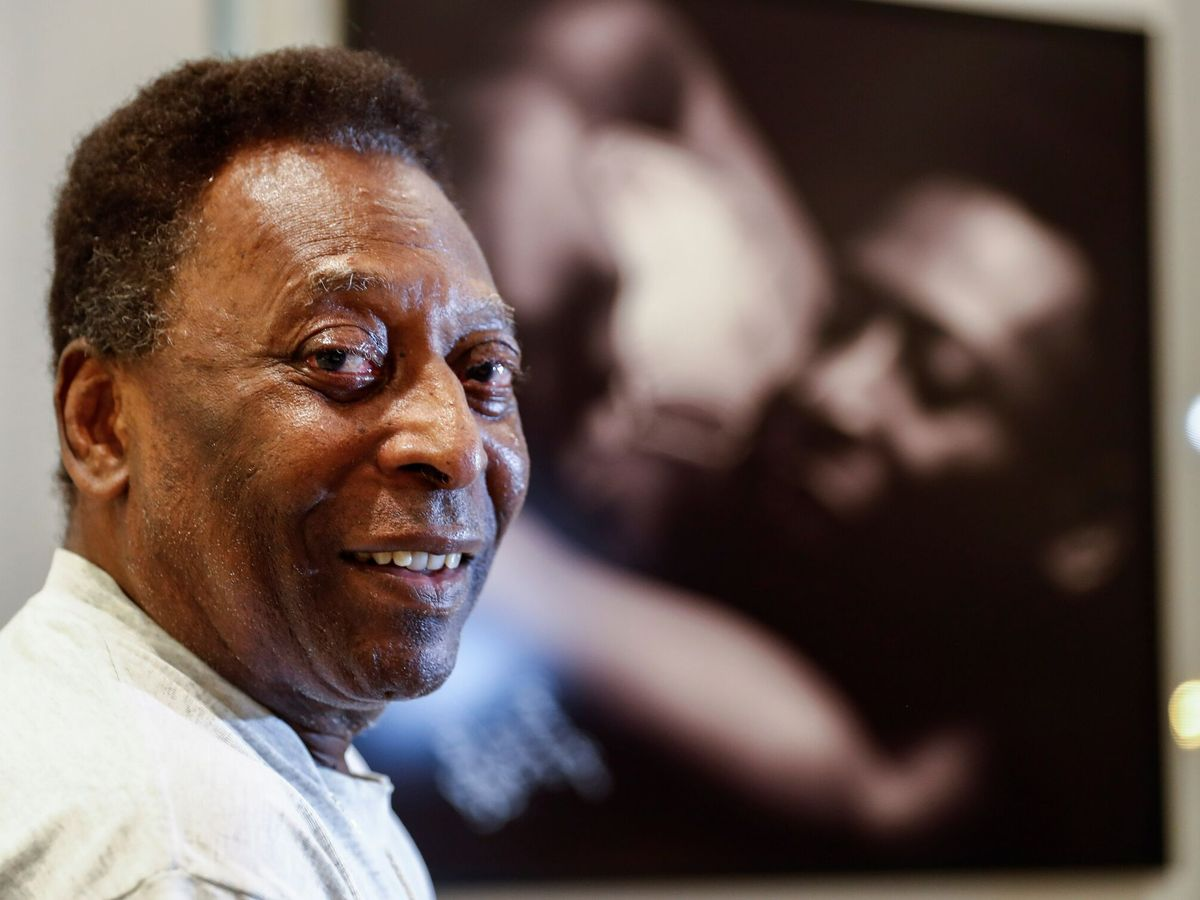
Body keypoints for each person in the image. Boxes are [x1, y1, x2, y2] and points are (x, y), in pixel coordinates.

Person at [0, 47, 528, 898]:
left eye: (486, 370)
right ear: (100, 423)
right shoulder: (183, 855)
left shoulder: (236, 758)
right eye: (340, 356)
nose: (454, 441)